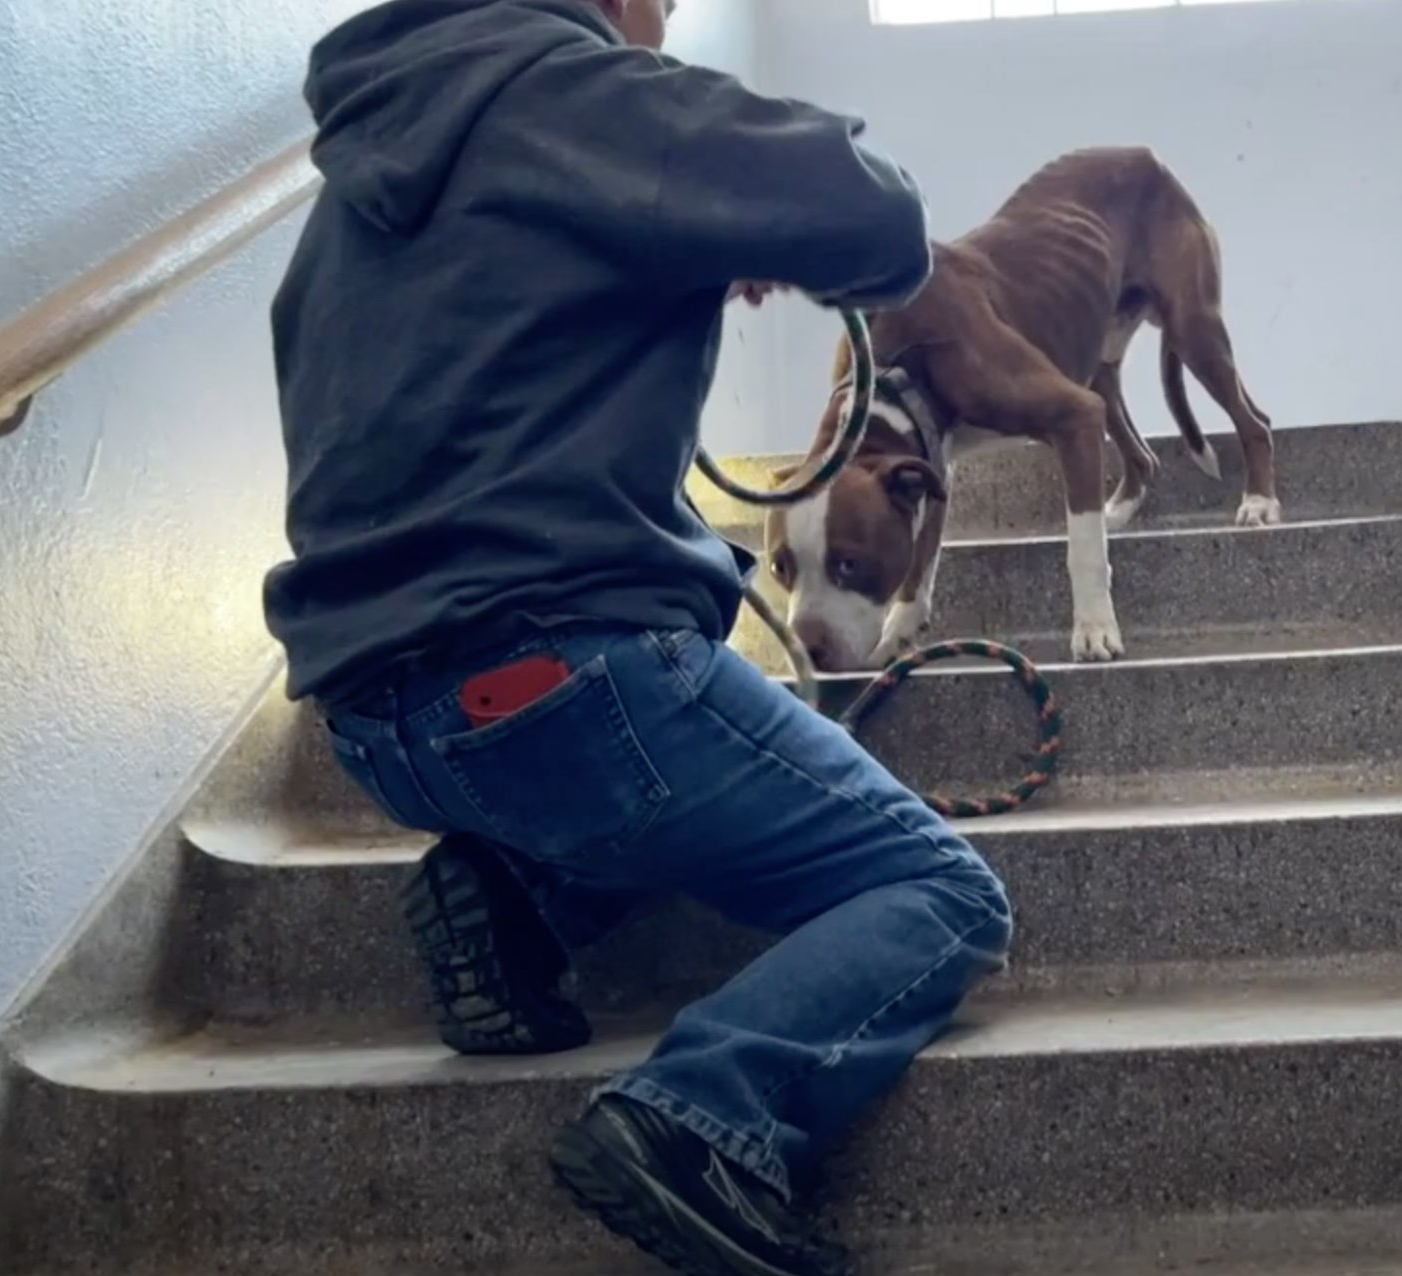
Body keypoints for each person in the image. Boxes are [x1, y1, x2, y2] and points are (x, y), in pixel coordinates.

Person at [262, 1, 1016, 1273]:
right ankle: (698, 1120)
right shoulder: (579, 91)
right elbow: (878, 219)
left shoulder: (356, 190)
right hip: (566, 675)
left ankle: (509, 907)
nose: (662, 27)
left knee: (647, 792)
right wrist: (728, 201)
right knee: (939, 891)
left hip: (374, 718)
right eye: (658, 4)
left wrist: (685, 231)